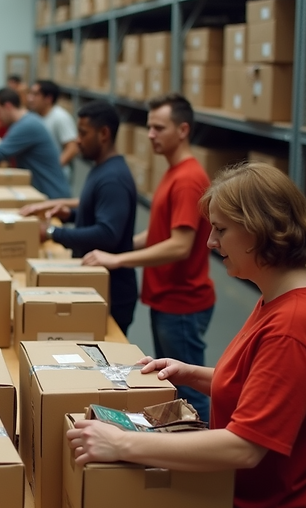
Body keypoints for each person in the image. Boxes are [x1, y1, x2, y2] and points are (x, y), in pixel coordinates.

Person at [67, 162, 306, 508]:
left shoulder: (294, 325)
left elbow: (243, 447)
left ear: (258, 229)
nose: (210, 243)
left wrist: (121, 444)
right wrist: (191, 373)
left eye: (220, 229)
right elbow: (266, 388)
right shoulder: (283, 297)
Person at [81, 93, 215, 421]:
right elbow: (159, 234)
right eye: (149, 127)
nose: (151, 135)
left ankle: (207, 446)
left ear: (183, 130)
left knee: (190, 390)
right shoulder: (173, 171)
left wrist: (119, 260)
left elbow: (179, 246)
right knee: (174, 382)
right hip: (167, 299)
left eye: (159, 128)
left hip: (181, 303)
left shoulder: (187, 179)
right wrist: (122, 247)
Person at [19, 99, 137, 333]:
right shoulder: (102, 168)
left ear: (104, 134)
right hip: (97, 284)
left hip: (111, 292)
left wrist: (52, 233)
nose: (77, 141)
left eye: (83, 133)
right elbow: (100, 213)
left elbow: (108, 234)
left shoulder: (113, 178)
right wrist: (71, 214)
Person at [27, 80, 79, 182]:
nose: (30, 98)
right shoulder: (35, 116)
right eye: (30, 93)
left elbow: (72, 148)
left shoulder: (60, 117)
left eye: (35, 95)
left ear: (48, 98)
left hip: (55, 175)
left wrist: (54, 168)